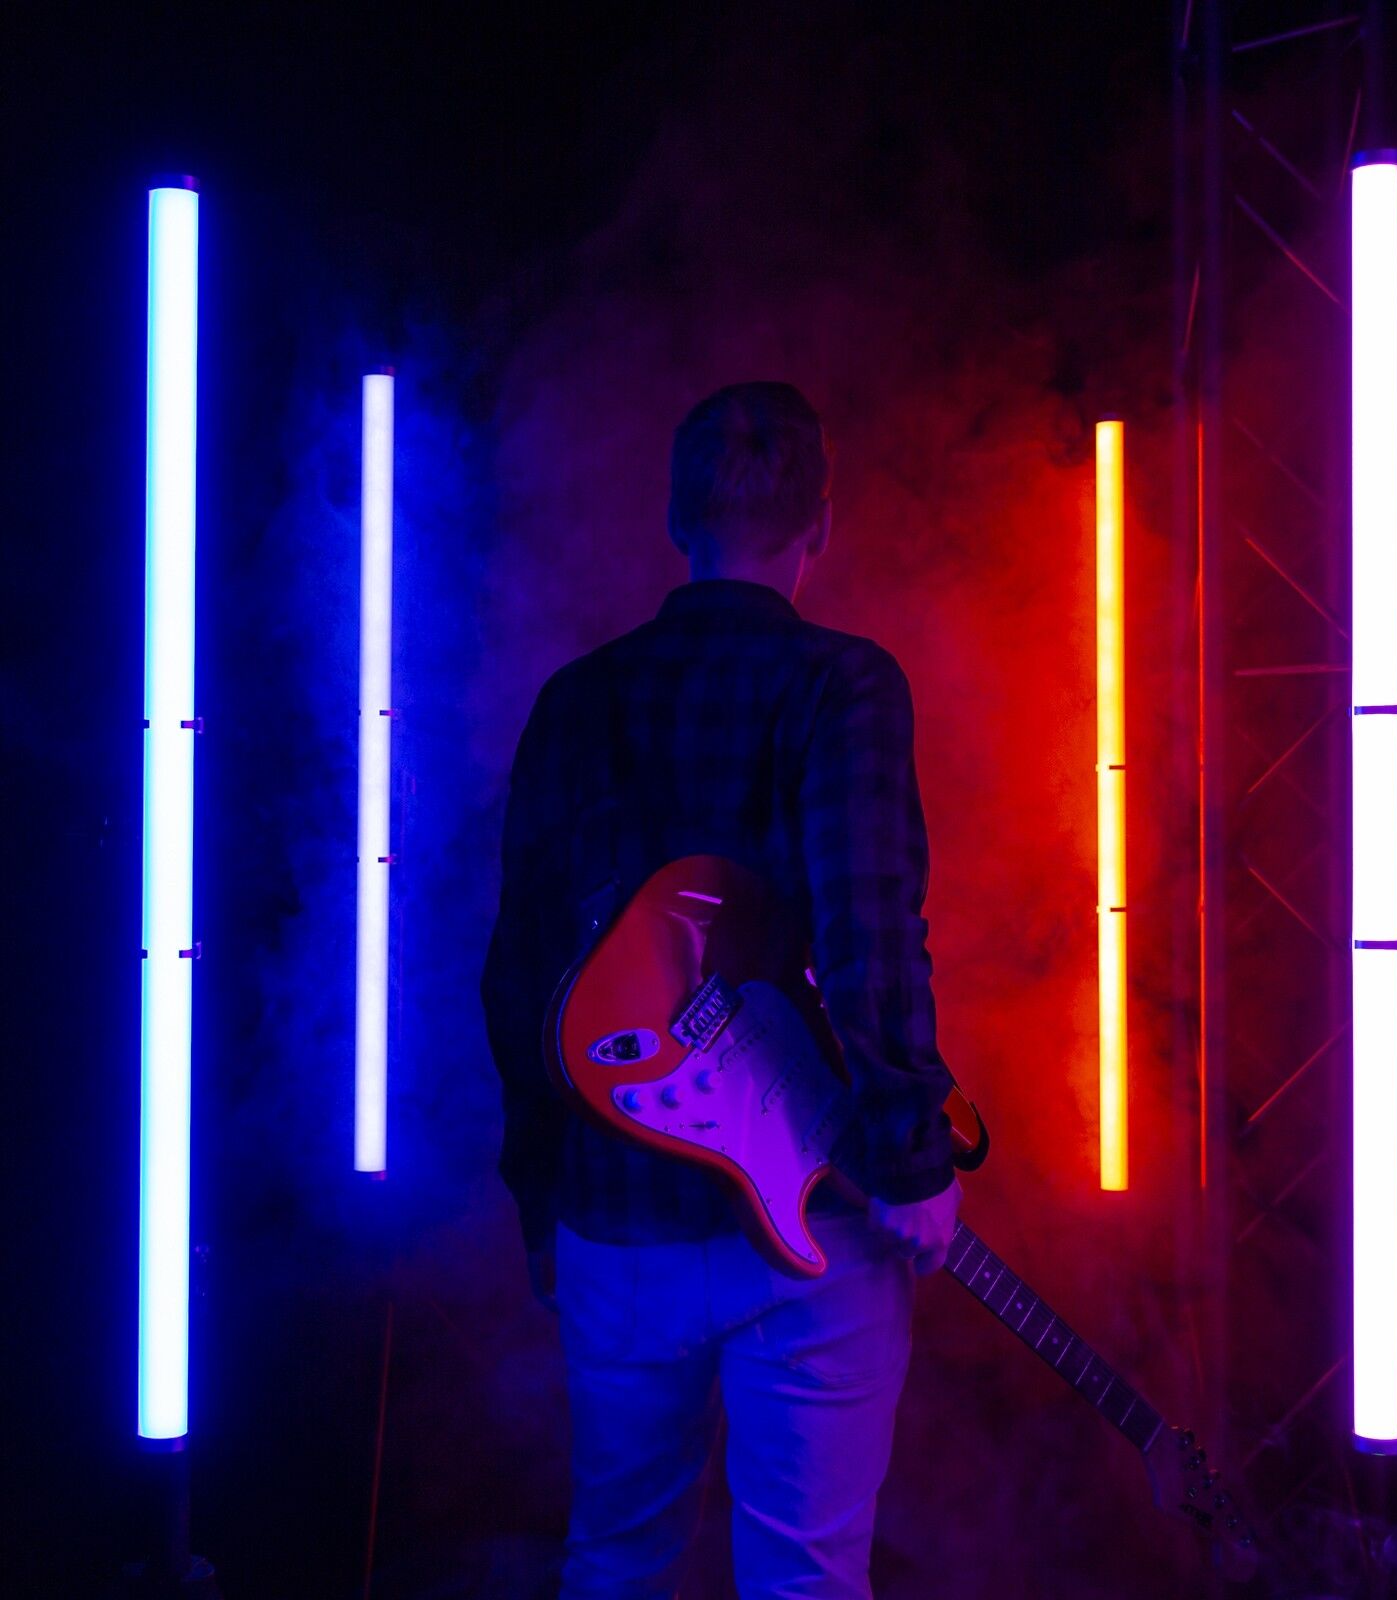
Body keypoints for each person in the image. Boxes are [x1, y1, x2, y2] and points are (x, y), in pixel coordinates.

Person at [481, 380, 961, 1599]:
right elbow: (867, 925)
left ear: (674, 517)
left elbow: (519, 978)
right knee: (804, 1580)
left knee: (615, 1564)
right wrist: (912, 1156)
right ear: (820, 525)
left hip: (614, 1216)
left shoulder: (574, 702)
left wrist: (542, 1200)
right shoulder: (842, 684)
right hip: (818, 1222)